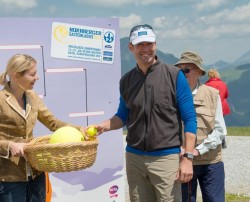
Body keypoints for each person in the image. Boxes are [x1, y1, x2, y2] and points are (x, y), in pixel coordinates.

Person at [86, 24, 197, 202]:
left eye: (149, 43)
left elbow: (190, 119)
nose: (145, 49)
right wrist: (103, 126)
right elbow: (121, 116)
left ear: (155, 44)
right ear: (131, 48)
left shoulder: (174, 75)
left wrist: (188, 158)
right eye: (140, 45)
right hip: (134, 157)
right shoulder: (126, 80)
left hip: (166, 158)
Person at [0, 54, 84, 202]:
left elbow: (53, 123)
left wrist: (80, 129)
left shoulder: (33, 97)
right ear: (16, 76)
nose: (37, 77)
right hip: (9, 177)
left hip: (36, 172)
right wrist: (9, 146)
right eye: (32, 74)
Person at [175, 51, 227, 202]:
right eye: (179, 70)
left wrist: (199, 150)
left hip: (211, 163)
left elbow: (220, 130)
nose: (182, 73)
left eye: (187, 69)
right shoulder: (171, 95)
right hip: (182, 162)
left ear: (198, 72)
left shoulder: (212, 94)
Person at [205, 68, 231, 149]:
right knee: (221, 123)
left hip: (211, 107)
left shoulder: (207, 85)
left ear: (209, 75)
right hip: (222, 106)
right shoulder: (223, 84)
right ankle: (223, 141)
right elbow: (226, 95)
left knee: (211, 124)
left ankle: (212, 141)